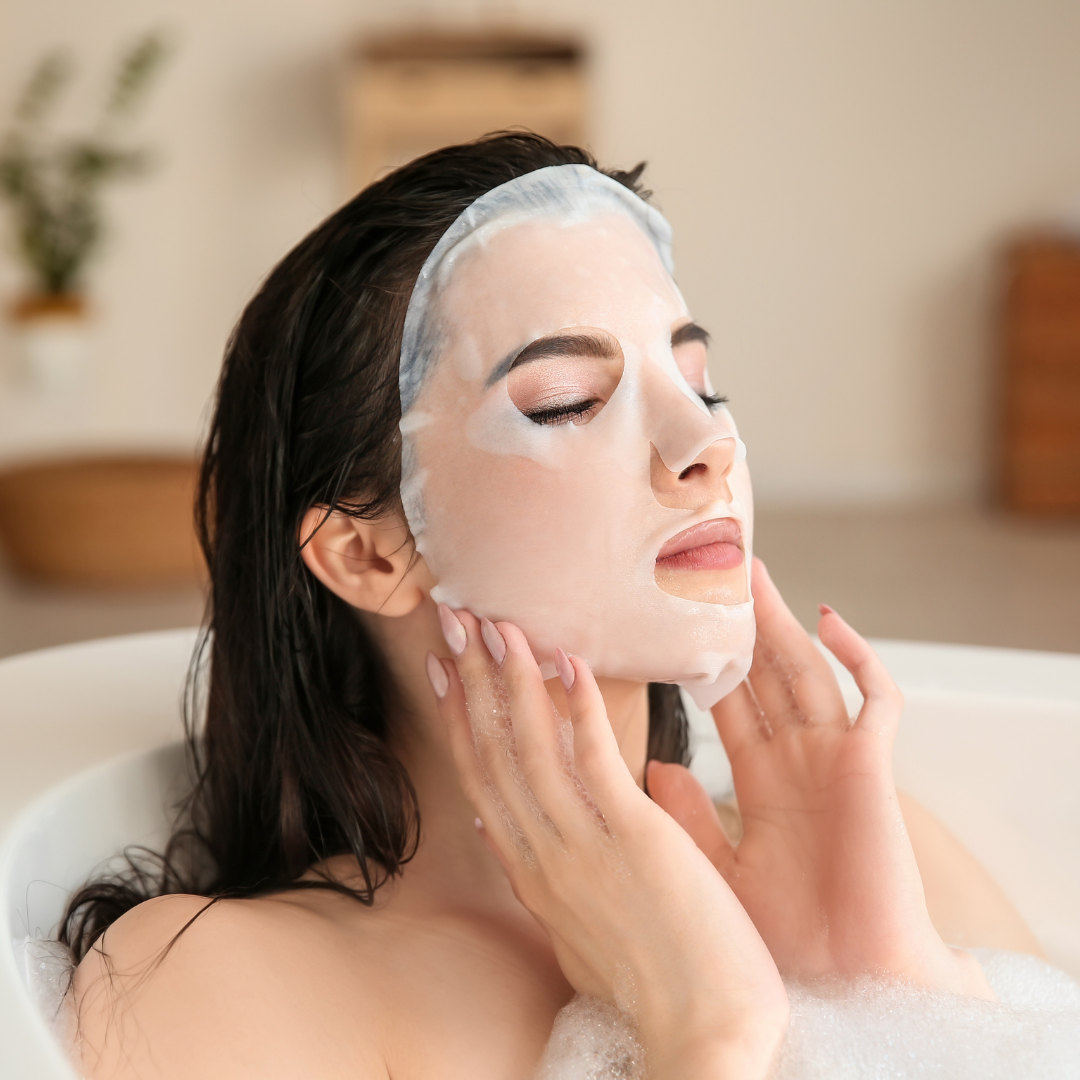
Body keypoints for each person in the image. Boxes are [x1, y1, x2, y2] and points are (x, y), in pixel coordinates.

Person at [66, 134, 1039, 1080]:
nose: (706, 443)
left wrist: (882, 977)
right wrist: (707, 1031)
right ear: (365, 553)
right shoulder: (222, 981)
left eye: (700, 383)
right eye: (570, 400)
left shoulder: (876, 853)